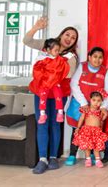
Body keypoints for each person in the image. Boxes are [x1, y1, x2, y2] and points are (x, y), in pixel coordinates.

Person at [23, 17, 79, 174]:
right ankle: (42, 159)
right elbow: (27, 40)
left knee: (55, 124)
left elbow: (64, 76)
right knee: (42, 123)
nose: (69, 39)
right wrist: (35, 27)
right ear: (61, 35)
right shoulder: (47, 45)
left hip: (58, 94)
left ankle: (53, 157)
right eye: (67, 34)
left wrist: (45, 70)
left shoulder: (71, 57)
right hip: (40, 93)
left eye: (73, 38)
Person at [65, 47, 108, 166]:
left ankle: (91, 155)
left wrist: (103, 107)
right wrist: (83, 103)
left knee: (93, 131)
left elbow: (107, 92)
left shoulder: (106, 72)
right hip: (79, 103)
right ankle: (72, 154)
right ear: (89, 57)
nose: (97, 59)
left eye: (100, 57)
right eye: (95, 56)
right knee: (77, 129)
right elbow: (74, 84)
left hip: (96, 106)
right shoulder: (81, 67)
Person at [29, 38, 69, 124]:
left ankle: (60, 112)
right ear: (48, 50)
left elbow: (63, 70)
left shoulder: (59, 59)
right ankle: (42, 114)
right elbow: (37, 71)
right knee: (42, 97)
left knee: (59, 96)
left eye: (58, 50)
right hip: (45, 84)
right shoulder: (41, 59)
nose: (58, 52)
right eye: (56, 50)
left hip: (55, 83)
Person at [72, 91, 108, 168]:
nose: (96, 103)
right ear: (90, 100)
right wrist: (78, 128)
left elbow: (102, 120)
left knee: (96, 147)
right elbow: (81, 119)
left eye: (99, 101)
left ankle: (98, 160)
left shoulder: (100, 111)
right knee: (87, 147)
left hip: (97, 131)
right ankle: (88, 159)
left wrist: (105, 114)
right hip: (87, 130)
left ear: (102, 102)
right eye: (94, 100)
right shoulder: (86, 109)